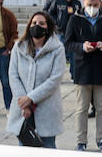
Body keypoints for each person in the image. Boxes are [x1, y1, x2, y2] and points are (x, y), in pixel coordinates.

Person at [65, 0, 102, 151]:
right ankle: (81, 140)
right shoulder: (75, 19)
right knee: (81, 108)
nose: (92, 8)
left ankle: (101, 139)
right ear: (84, 2)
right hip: (83, 70)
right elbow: (68, 43)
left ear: (100, 3)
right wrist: (82, 46)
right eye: (89, 4)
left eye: (95, 5)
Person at [6, 11, 66, 149]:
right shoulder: (19, 47)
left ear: (47, 27)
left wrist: (31, 99)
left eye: (41, 23)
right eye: (34, 23)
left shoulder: (57, 49)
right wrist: (24, 102)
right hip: (22, 109)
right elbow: (13, 75)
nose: (37, 25)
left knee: (48, 148)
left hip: (46, 108)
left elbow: (54, 80)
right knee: (24, 149)